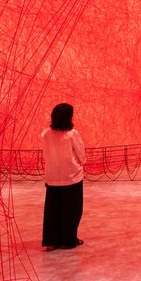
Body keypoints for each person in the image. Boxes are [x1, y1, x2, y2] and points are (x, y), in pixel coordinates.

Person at [42, 103, 86, 251]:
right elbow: (81, 153)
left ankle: (51, 241)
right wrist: (81, 163)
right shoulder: (72, 133)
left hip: (53, 176)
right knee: (71, 210)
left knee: (52, 210)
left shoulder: (46, 133)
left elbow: (46, 152)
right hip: (71, 176)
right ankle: (68, 240)